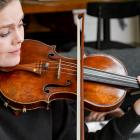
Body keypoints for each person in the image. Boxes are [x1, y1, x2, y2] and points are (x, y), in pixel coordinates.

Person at [0, 0, 140, 140]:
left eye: (21, 24)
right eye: (4, 33)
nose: (19, 38)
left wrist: (135, 114)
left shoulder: (46, 84)